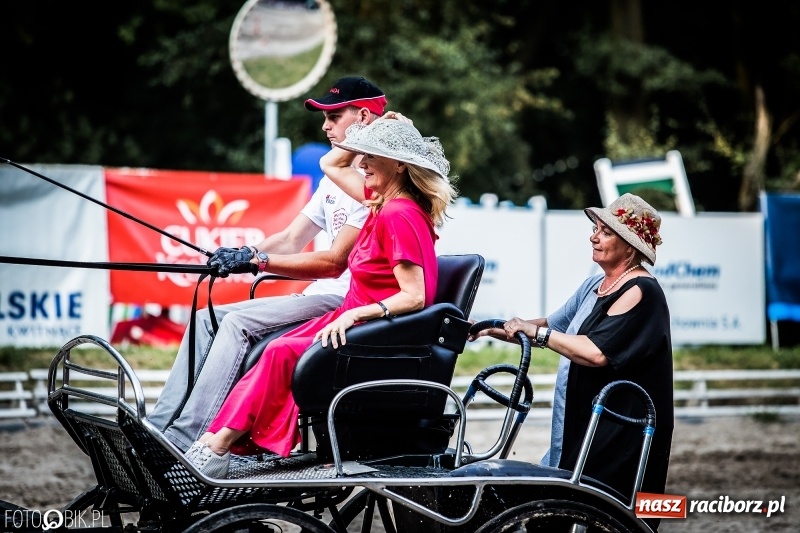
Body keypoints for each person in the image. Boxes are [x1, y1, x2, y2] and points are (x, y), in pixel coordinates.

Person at [185, 118, 458, 478]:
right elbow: (331, 164)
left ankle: (217, 447)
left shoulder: (397, 212)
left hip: (374, 335)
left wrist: (356, 316)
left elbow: (415, 296)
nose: (361, 163)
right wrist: (370, 134)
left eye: (372, 155)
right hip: (355, 321)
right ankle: (214, 441)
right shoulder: (382, 204)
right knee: (274, 348)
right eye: (362, 154)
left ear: (399, 165)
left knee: (280, 353)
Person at [148, 76, 388, 452]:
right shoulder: (334, 181)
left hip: (344, 302)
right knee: (203, 318)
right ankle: (158, 428)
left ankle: (184, 438)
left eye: (334, 115)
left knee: (238, 323)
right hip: (321, 295)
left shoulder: (375, 183)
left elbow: (333, 263)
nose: (325, 125)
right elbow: (293, 237)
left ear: (363, 116)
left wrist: (259, 261)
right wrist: (245, 253)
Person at [470, 193, 673, 510]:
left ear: (630, 246)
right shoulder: (594, 285)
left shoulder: (642, 290)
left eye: (605, 232)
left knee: (594, 510)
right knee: (556, 505)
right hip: (583, 424)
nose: (593, 236)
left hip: (618, 433)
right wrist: (490, 328)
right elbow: (551, 326)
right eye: (595, 228)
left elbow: (594, 353)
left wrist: (535, 332)